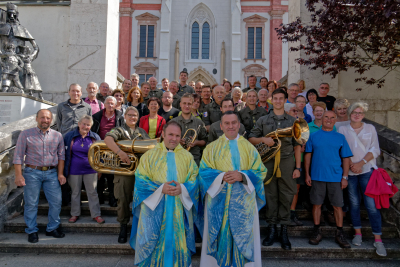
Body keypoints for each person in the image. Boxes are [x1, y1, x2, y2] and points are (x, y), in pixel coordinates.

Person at [199, 111, 267, 267]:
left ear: (239, 125)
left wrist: (242, 176)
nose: (231, 126)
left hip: (244, 205)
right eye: (227, 123)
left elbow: (261, 171)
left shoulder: (249, 148)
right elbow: (202, 172)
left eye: (234, 123)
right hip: (218, 203)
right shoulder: (211, 148)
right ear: (221, 126)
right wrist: (221, 177)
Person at [129, 121, 199, 266]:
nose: (174, 138)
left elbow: (195, 180)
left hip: (178, 210)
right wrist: (160, 189)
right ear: (163, 134)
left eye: (177, 135)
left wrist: (183, 189)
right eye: (170, 135)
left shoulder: (187, 157)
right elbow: (140, 180)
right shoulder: (149, 155)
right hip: (153, 211)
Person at [248, 88, 302, 250]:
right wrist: (263, 139)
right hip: (268, 162)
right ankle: (272, 229)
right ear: (272, 100)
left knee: (286, 194)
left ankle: (283, 230)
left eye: (281, 98)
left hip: (286, 162)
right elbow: (251, 139)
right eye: (275, 98)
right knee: (270, 194)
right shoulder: (263, 120)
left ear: (285, 100)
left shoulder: (293, 121)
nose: (278, 101)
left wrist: (298, 167)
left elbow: (297, 146)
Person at [338, 101, 387, 256]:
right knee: (353, 203)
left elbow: (375, 149)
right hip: (350, 171)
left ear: (363, 115)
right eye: (354, 112)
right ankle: (357, 233)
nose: (357, 115)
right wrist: (352, 164)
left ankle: (378, 239)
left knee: (371, 205)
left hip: (367, 171)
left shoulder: (370, 128)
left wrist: (361, 163)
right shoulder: (342, 129)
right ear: (350, 114)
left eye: (360, 113)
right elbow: (342, 149)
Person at [13, 109, 66, 243]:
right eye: (42, 118)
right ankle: (32, 230)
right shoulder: (26, 134)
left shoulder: (57, 135)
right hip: (32, 173)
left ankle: (52, 228)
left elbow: (61, 157)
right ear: (37, 119)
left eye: (48, 118)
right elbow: (18, 156)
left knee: (56, 201)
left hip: (51, 173)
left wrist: (60, 173)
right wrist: (18, 175)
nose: (45, 120)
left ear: (51, 120)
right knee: (31, 203)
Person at [305, 111, 352, 248]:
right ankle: (317, 230)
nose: (329, 120)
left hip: (336, 177)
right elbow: (307, 156)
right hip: (317, 176)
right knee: (317, 204)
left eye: (332, 118)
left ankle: (339, 232)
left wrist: (345, 177)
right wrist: (307, 174)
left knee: (337, 206)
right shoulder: (313, 136)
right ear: (321, 118)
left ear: (335, 120)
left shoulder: (340, 137)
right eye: (326, 117)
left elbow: (346, 158)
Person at [104, 106, 150, 243]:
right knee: (123, 200)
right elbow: (107, 140)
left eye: (135, 115)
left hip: (140, 172)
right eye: (130, 115)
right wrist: (120, 153)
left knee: (142, 199)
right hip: (123, 172)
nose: (132, 118)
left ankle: (141, 227)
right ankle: (123, 226)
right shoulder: (119, 130)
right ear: (125, 116)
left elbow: (150, 148)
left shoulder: (142, 131)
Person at [63, 115, 104, 224]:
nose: (85, 126)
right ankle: (74, 214)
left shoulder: (95, 137)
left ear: (91, 126)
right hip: (74, 170)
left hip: (91, 169)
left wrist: (99, 169)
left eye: (88, 125)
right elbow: (63, 153)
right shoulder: (69, 136)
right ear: (79, 124)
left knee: (92, 192)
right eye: (84, 124)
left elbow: (100, 154)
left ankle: (96, 214)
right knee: (75, 193)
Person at [91, 96, 124, 207]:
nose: (110, 105)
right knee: (99, 174)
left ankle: (112, 199)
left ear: (115, 105)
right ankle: (99, 198)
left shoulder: (120, 116)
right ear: (104, 104)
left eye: (112, 104)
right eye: (108, 103)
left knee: (112, 176)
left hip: (113, 149)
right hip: (99, 149)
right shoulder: (96, 116)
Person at [172, 93, 208, 166]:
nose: (187, 106)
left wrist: (196, 142)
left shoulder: (199, 123)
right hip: (176, 158)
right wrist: (178, 141)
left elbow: (205, 141)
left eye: (189, 104)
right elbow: (166, 142)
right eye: (184, 103)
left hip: (194, 159)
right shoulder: (172, 123)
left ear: (192, 105)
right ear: (180, 104)